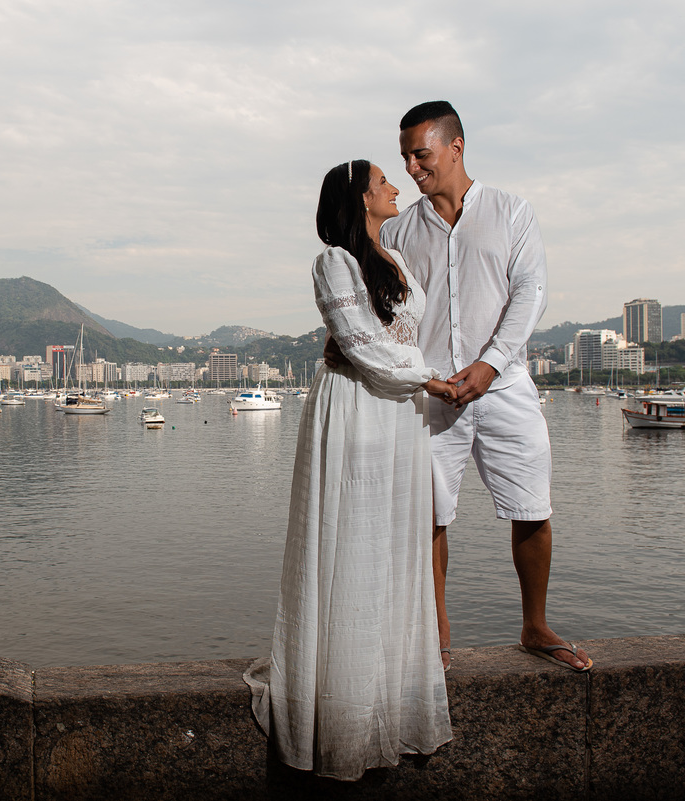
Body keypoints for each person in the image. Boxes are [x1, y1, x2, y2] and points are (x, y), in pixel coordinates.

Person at [245, 159, 455, 781]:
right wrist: (430, 379)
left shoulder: (395, 259)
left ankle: (388, 694)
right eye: (383, 181)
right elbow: (361, 344)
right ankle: (344, 711)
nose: (395, 187)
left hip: (401, 412)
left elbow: (401, 339)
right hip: (360, 407)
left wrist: (424, 379)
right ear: (360, 198)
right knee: (355, 541)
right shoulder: (334, 261)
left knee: (395, 544)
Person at [379, 101, 591, 672]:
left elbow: (530, 293)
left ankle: (535, 625)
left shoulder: (511, 212)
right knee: (428, 514)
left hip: (506, 386)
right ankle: (437, 636)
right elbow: (391, 314)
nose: (411, 168)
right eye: (404, 158)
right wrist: (423, 377)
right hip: (430, 395)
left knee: (533, 506)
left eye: (419, 154)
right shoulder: (397, 231)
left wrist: (491, 364)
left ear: (456, 146)